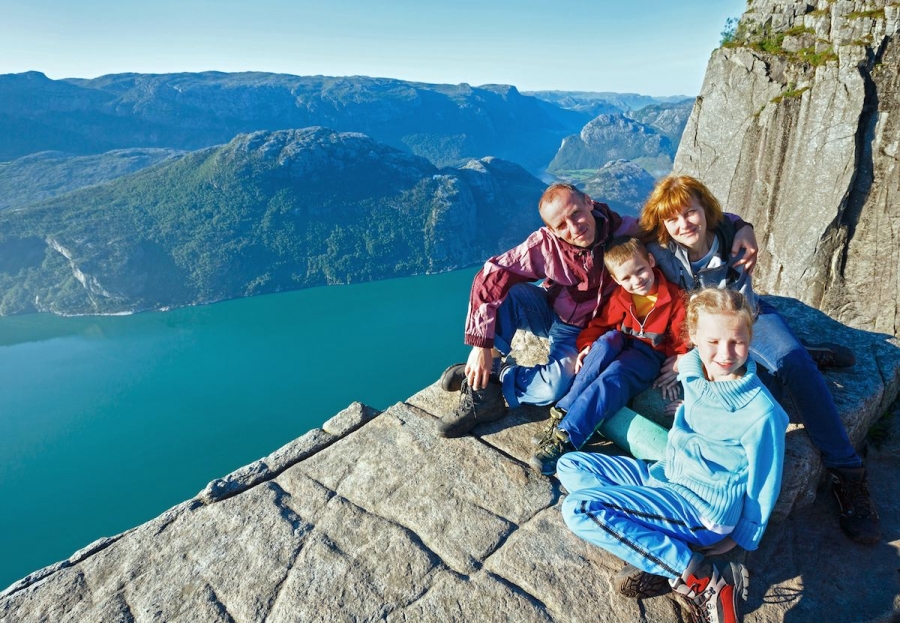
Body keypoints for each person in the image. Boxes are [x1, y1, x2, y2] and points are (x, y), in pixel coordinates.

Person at [640, 174, 880, 547]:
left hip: (750, 317)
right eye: (673, 219)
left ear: (705, 210)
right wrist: (682, 353)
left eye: (691, 213)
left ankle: (847, 472)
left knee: (793, 366)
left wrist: (744, 227)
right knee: (754, 393)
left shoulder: (727, 234)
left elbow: (730, 218)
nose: (684, 224)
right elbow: (617, 240)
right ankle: (794, 356)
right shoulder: (660, 250)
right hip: (708, 334)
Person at [435, 183, 759, 438]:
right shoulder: (544, 246)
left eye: (575, 213)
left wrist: (742, 226)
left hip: (581, 331)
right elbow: (491, 274)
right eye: (561, 225)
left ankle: (498, 377)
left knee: (553, 388)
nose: (574, 228)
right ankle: (480, 384)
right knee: (506, 291)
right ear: (550, 230)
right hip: (548, 310)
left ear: (588, 201)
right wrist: (482, 346)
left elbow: (677, 221)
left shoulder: (623, 230)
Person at [558, 288, 789, 623]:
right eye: (713, 342)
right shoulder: (694, 367)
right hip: (666, 476)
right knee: (571, 464)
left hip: (702, 507)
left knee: (579, 508)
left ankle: (704, 578)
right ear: (693, 337)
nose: (725, 353)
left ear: (750, 337)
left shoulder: (761, 412)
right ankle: (656, 538)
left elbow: (765, 479)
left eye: (737, 341)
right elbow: (696, 385)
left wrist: (738, 539)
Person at [529, 236, 690, 474]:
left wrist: (679, 362)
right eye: (626, 277)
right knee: (606, 342)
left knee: (614, 375)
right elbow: (600, 325)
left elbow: (683, 338)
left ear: (651, 260)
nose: (636, 281)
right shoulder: (620, 297)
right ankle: (562, 412)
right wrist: (586, 346)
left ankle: (568, 436)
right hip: (622, 342)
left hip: (648, 355)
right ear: (616, 279)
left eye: (641, 271)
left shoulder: (675, 299)